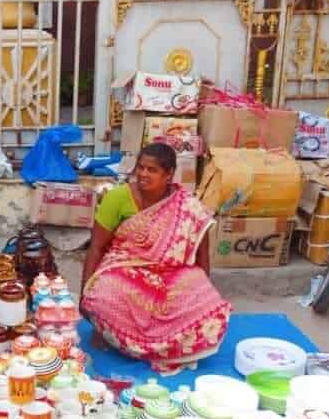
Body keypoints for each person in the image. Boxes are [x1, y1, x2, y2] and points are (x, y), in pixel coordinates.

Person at [80, 142, 230, 374]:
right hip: (125, 266)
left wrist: (200, 286)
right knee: (104, 294)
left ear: (169, 175)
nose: (143, 174)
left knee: (206, 298)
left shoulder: (186, 206)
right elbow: (97, 247)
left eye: (152, 170)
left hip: (170, 272)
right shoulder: (117, 198)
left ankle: (169, 346)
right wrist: (84, 295)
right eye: (140, 167)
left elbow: (201, 252)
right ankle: (111, 334)